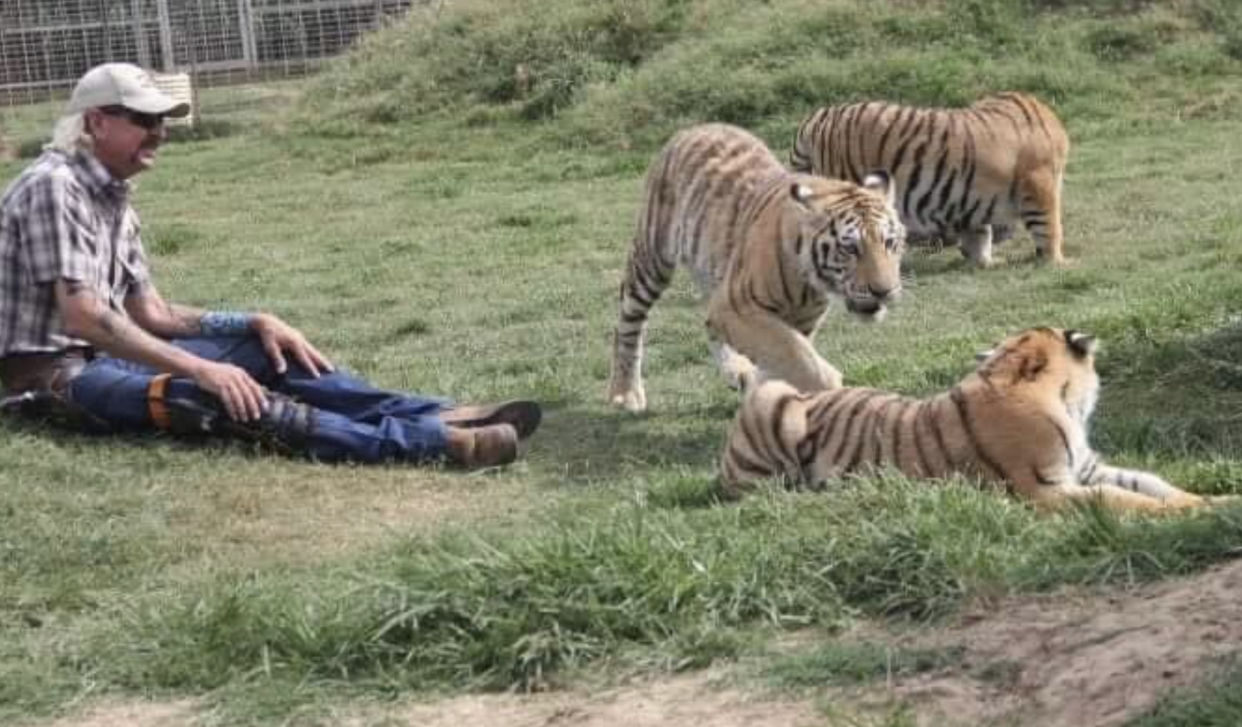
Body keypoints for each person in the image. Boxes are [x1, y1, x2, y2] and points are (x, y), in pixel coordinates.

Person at [0, 62, 541, 468]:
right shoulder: (55, 186)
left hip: (107, 358)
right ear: (96, 121)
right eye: (145, 119)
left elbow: (154, 312)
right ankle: (430, 444)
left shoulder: (112, 196)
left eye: (163, 120)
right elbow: (86, 319)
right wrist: (201, 367)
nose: (160, 132)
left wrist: (251, 321)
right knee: (213, 394)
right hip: (54, 379)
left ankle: (437, 412)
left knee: (266, 351)